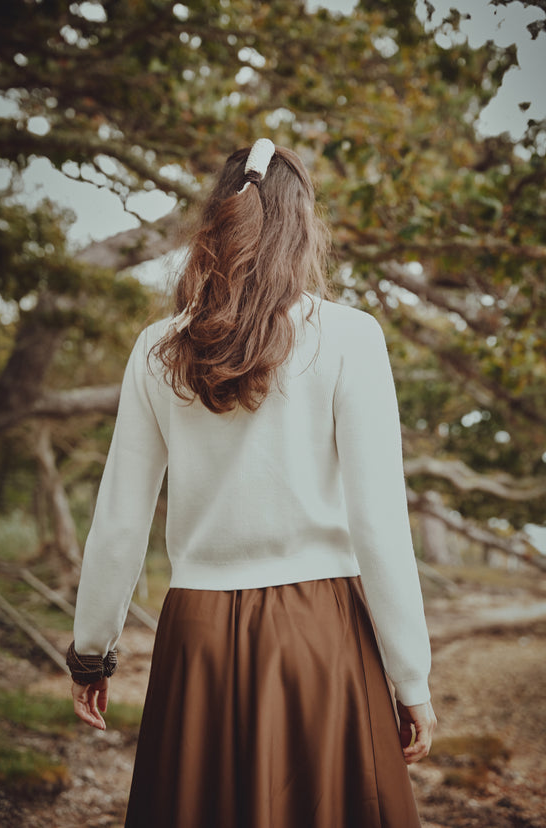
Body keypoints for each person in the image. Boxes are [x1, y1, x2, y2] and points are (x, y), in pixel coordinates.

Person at [68, 139, 436, 828]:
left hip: (197, 637)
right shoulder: (351, 337)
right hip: (320, 633)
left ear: (216, 219)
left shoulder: (158, 349)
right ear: (303, 226)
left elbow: (120, 518)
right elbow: (380, 524)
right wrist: (410, 676)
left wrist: (91, 652)